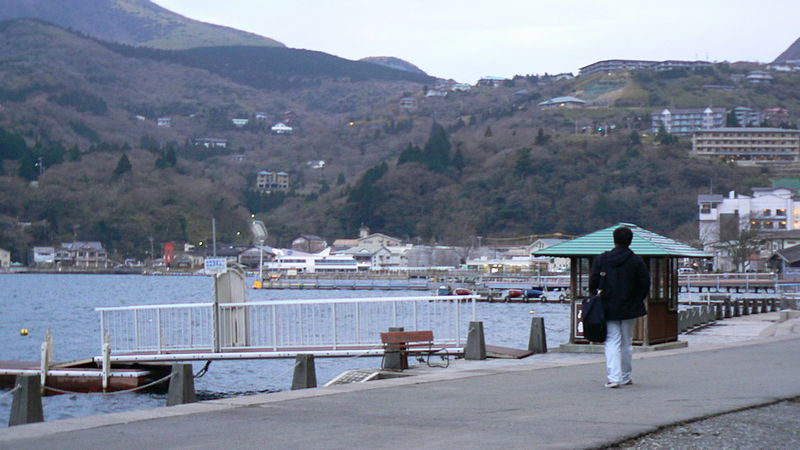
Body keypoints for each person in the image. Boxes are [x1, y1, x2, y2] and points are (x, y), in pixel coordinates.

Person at [589, 226, 650, 388]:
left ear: (614, 240)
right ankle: (626, 376)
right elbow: (644, 284)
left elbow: (593, 283)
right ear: (630, 241)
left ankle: (613, 377)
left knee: (612, 341)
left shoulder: (601, 259)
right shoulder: (637, 261)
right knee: (626, 342)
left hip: (607, 306)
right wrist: (637, 299)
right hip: (629, 306)